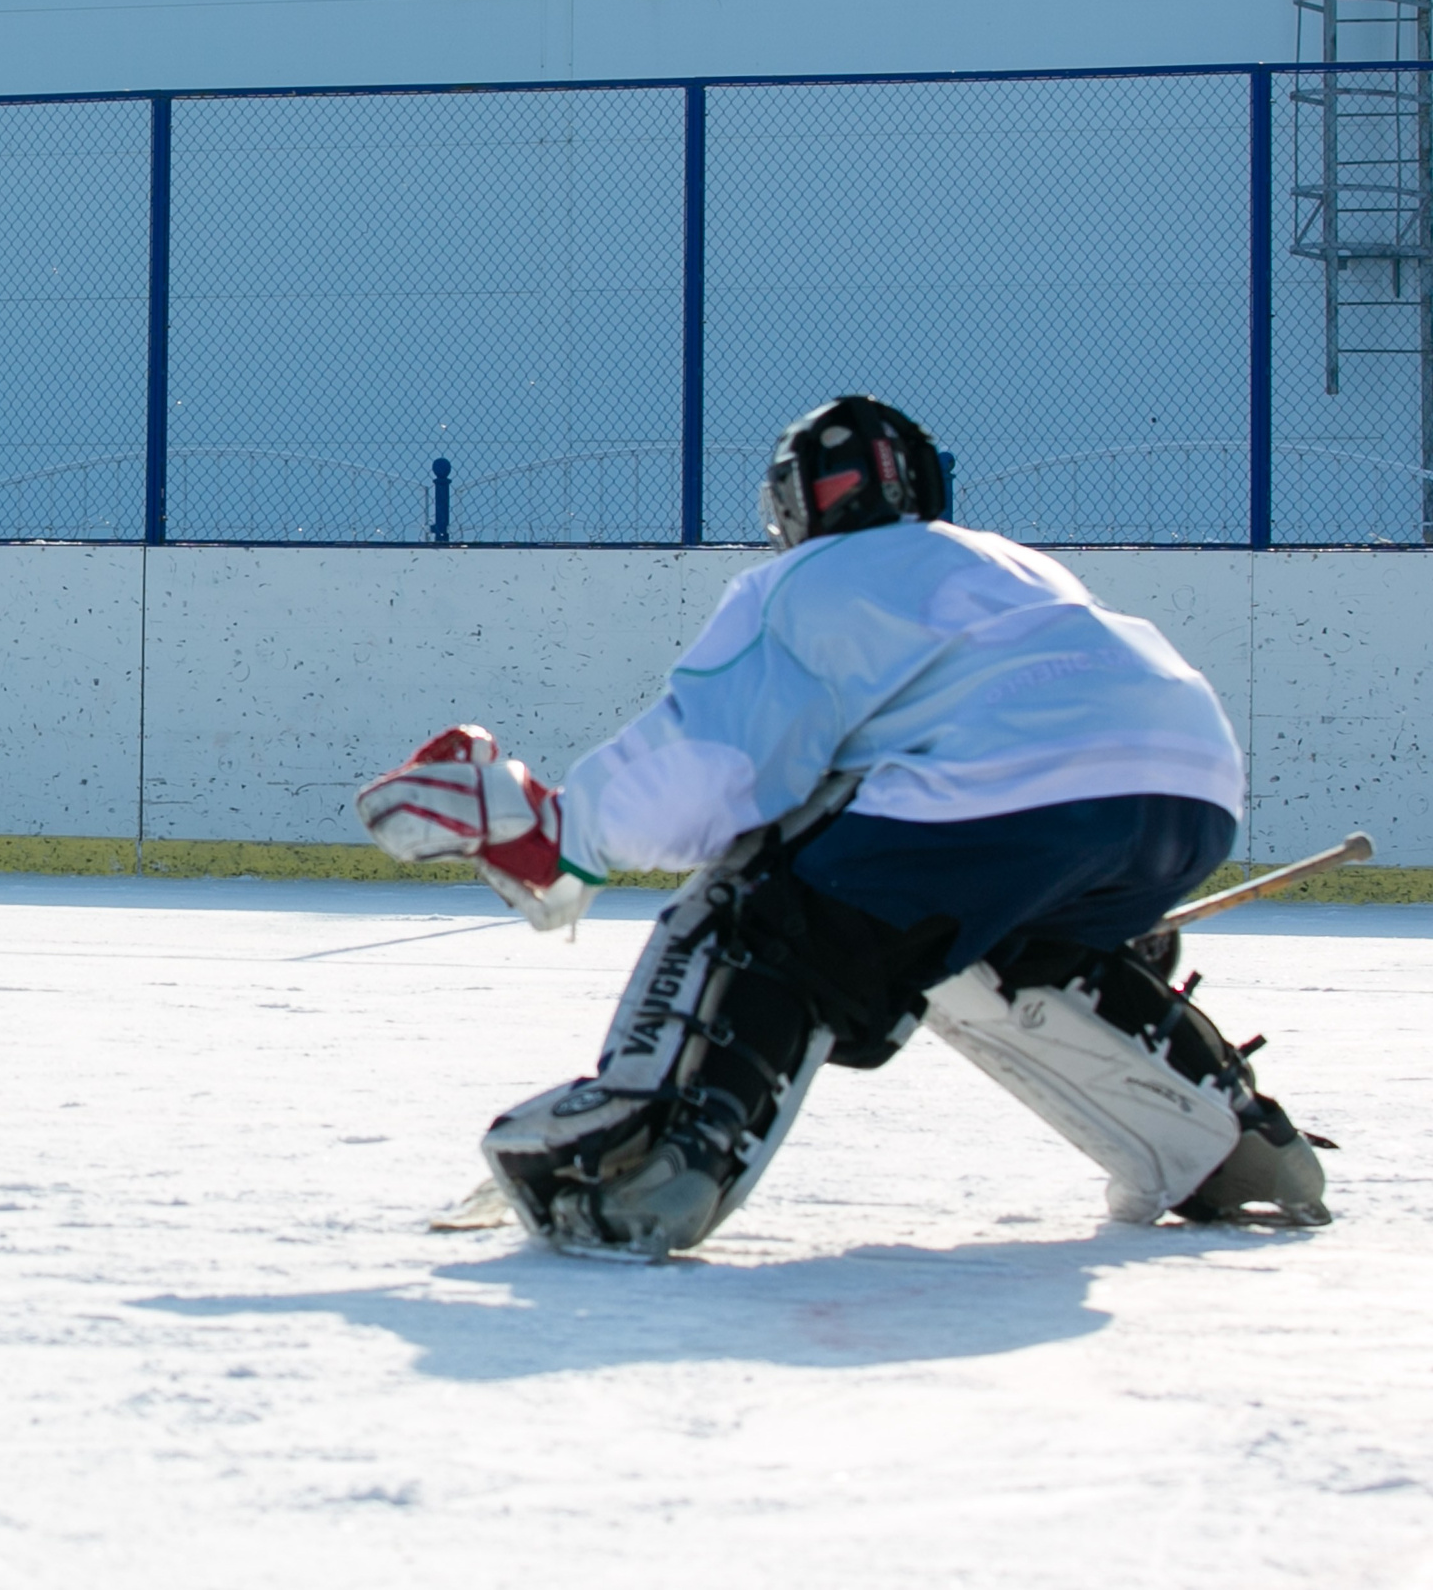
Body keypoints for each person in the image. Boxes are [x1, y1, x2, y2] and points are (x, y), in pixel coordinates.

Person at [357, 395, 1330, 1259]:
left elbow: (716, 766)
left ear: (795, 503)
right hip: (1188, 788)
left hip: (999, 793)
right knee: (993, 945)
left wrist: (562, 839)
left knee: (763, 904)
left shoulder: (802, 585)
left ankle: (648, 1159)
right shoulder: (1009, 566)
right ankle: (1232, 1143)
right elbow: (1069, 732)